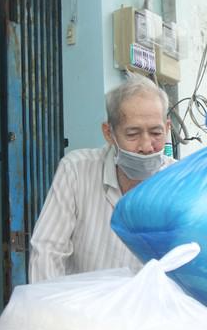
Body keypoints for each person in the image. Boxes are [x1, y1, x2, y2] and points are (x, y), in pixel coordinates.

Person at [28, 73, 173, 282]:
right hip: (82, 311)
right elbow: (47, 251)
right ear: (108, 133)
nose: (146, 146)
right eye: (132, 134)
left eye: (156, 133)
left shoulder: (178, 182)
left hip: (149, 311)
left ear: (167, 128)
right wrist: (51, 311)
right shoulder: (76, 171)